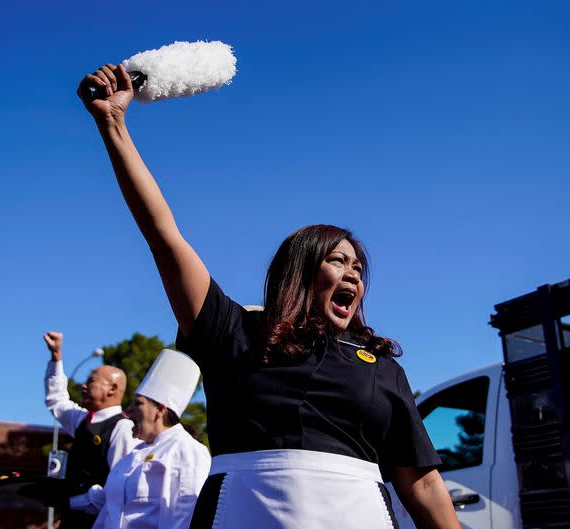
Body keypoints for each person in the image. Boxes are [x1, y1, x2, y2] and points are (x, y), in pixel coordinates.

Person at [78, 64, 461, 529]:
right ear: (299, 271)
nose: (354, 275)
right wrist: (113, 125)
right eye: (339, 261)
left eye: (359, 269)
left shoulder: (380, 366)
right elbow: (164, 236)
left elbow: (421, 483)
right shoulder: (231, 331)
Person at [91, 348, 211, 529]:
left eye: (138, 403)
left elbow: (186, 518)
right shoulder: (131, 456)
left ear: (160, 410)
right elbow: (107, 513)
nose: (128, 410)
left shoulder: (187, 450)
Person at [43, 331, 141, 529]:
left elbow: (117, 488)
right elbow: (56, 400)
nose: (84, 386)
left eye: (92, 381)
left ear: (112, 389)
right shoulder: (83, 420)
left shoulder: (123, 428)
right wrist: (56, 357)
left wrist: (70, 502)